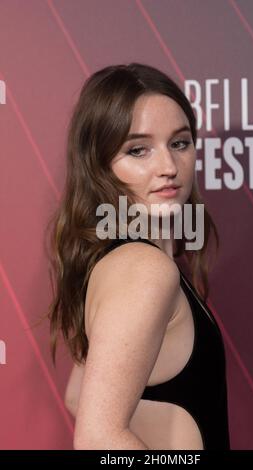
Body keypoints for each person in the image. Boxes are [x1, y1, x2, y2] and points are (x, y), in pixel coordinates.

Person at [46, 63, 230, 450]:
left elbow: (80, 396)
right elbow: (98, 440)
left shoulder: (129, 260)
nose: (168, 167)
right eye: (138, 150)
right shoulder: (145, 269)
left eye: (179, 143)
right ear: (100, 165)